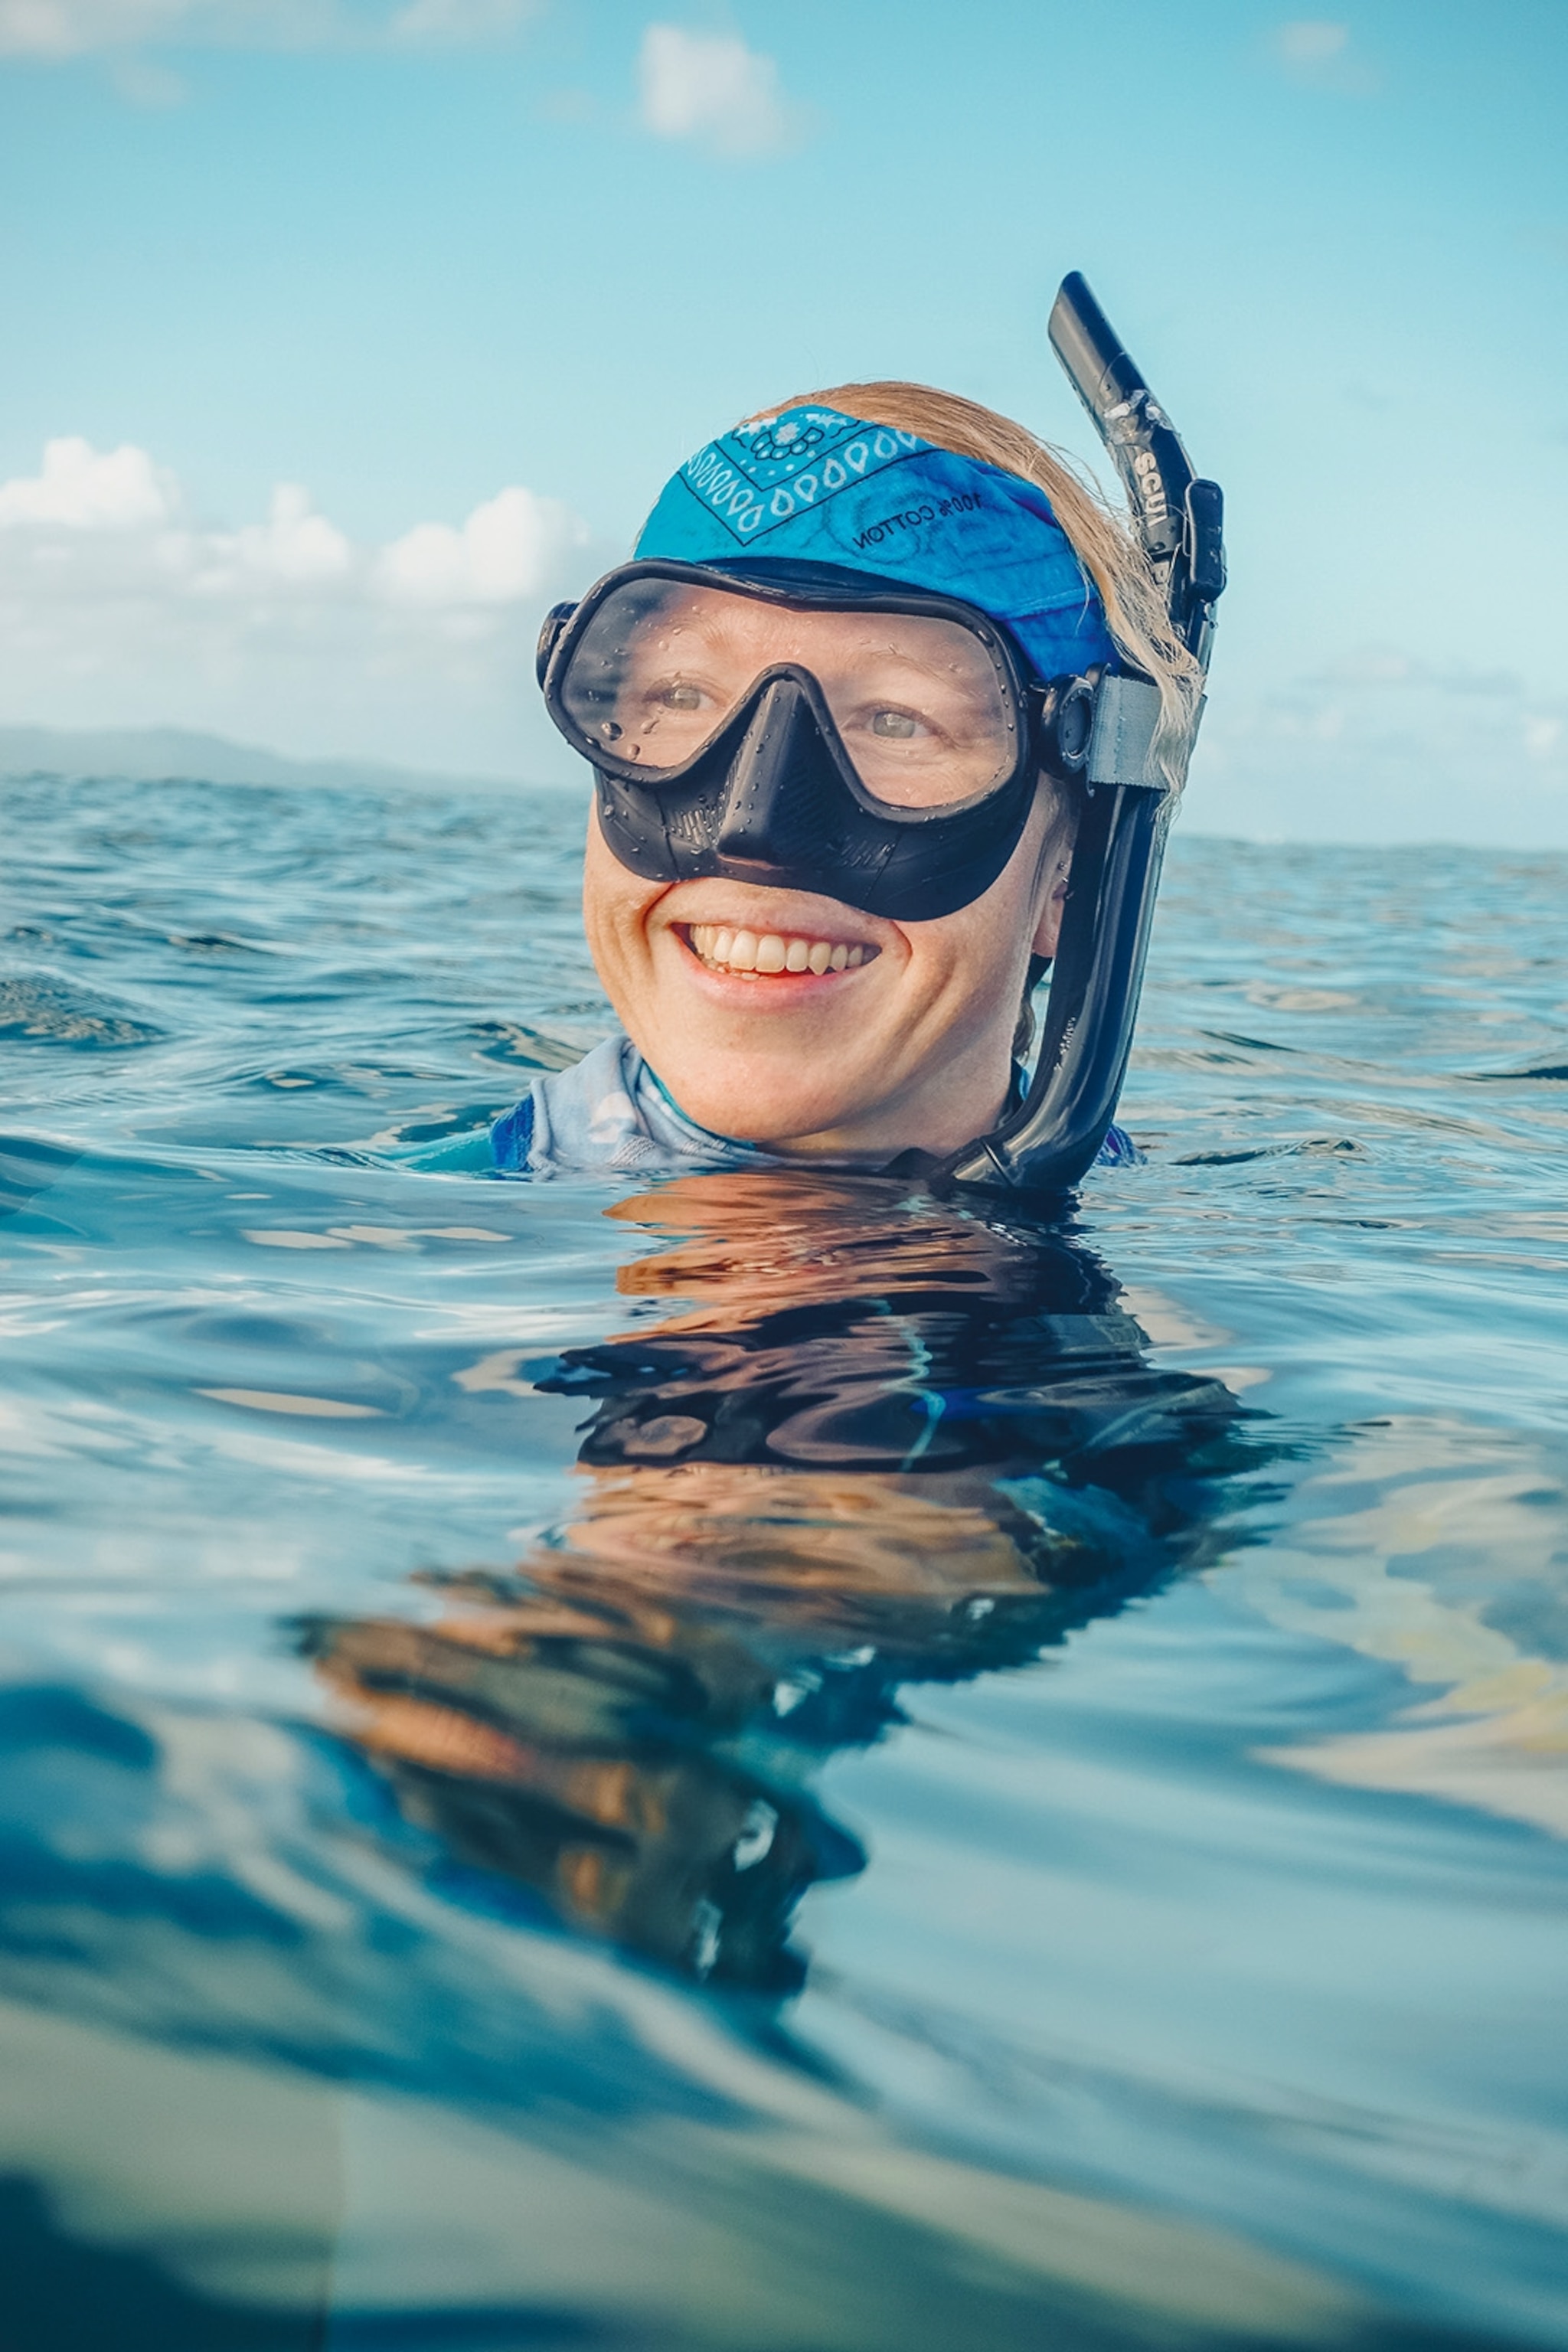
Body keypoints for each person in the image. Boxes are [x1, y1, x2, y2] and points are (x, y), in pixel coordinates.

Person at [396, 332, 1211, 1187]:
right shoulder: (407, 1248)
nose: (754, 827)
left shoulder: (1206, 1263)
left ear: (1068, 880)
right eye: (682, 697)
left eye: (896, 721)